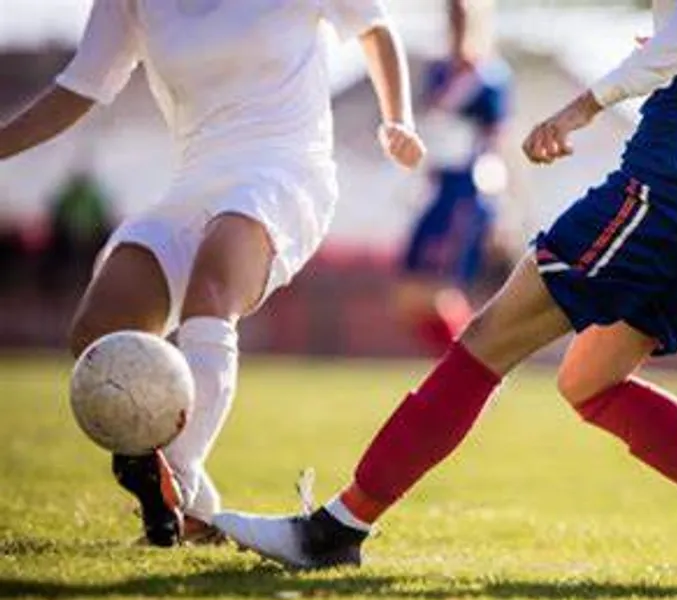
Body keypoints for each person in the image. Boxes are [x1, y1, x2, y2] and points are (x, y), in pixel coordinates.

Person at [216, 0, 677, 592]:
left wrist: (583, 107)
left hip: (673, 186)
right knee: (590, 381)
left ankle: (336, 529)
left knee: (487, 341)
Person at [0, 0, 425, 547]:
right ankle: (194, 507)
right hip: (192, 182)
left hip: (284, 169)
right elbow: (78, 88)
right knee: (97, 333)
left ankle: (174, 472)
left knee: (211, 292)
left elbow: (375, 28)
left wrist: (398, 121)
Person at [395, 0, 512, 355]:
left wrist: (502, 208)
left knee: (439, 290)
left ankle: (468, 371)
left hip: (466, 191)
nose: (456, 22)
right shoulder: (439, 71)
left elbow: (498, 143)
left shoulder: (490, 77)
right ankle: (461, 367)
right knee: (409, 295)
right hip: (437, 186)